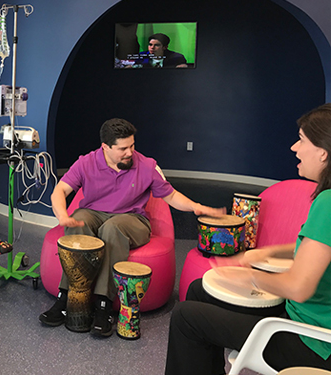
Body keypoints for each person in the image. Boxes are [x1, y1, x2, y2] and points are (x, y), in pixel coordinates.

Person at [165, 104, 331, 374]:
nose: (294, 148)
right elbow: (317, 246)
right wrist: (265, 253)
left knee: (186, 319)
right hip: (304, 324)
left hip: (310, 342)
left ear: (323, 152)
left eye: (301, 140)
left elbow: (299, 287)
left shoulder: (328, 202)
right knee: (198, 290)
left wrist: (250, 276)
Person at [39, 118, 225, 337]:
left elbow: (171, 195)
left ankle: (102, 305)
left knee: (113, 228)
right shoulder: (86, 162)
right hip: (95, 212)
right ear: (105, 147)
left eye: (132, 145)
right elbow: (60, 190)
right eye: (123, 148)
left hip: (132, 219)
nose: (130, 152)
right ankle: (68, 298)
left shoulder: (146, 165)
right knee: (79, 219)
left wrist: (196, 206)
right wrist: (62, 215)